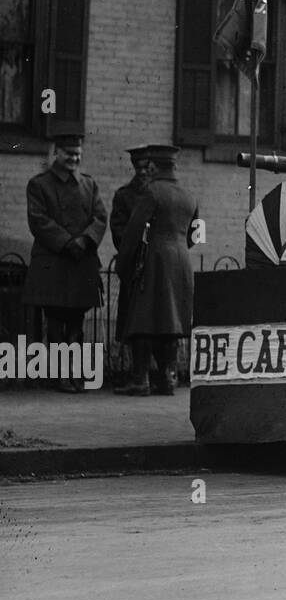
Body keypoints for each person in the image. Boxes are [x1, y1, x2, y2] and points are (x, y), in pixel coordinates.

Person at [21, 127, 107, 392]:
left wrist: (85, 240)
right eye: (69, 153)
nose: (74, 158)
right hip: (54, 262)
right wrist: (68, 242)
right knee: (56, 321)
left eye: (78, 154)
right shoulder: (39, 184)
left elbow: (100, 217)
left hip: (81, 262)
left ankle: (76, 373)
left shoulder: (89, 185)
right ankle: (60, 375)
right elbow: (38, 221)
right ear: (56, 153)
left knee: (77, 323)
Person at [115, 145, 199, 397]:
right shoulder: (189, 195)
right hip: (181, 262)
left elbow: (133, 232)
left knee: (142, 319)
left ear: (153, 166)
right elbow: (197, 235)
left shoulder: (151, 192)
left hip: (154, 259)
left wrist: (124, 264)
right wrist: (180, 247)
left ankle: (140, 381)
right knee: (170, 320)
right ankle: (167, 379)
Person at [110, 145, 153, 382]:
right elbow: (117, 229)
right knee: (133, 320)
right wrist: (135, 245)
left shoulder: (160, 193)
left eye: (147, 167)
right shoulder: (124, 196)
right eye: (138, 167)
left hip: (157, 266)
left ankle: (159, 371)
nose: (143, 171)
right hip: (135, 265)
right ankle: (134, 371)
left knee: (158, 319)